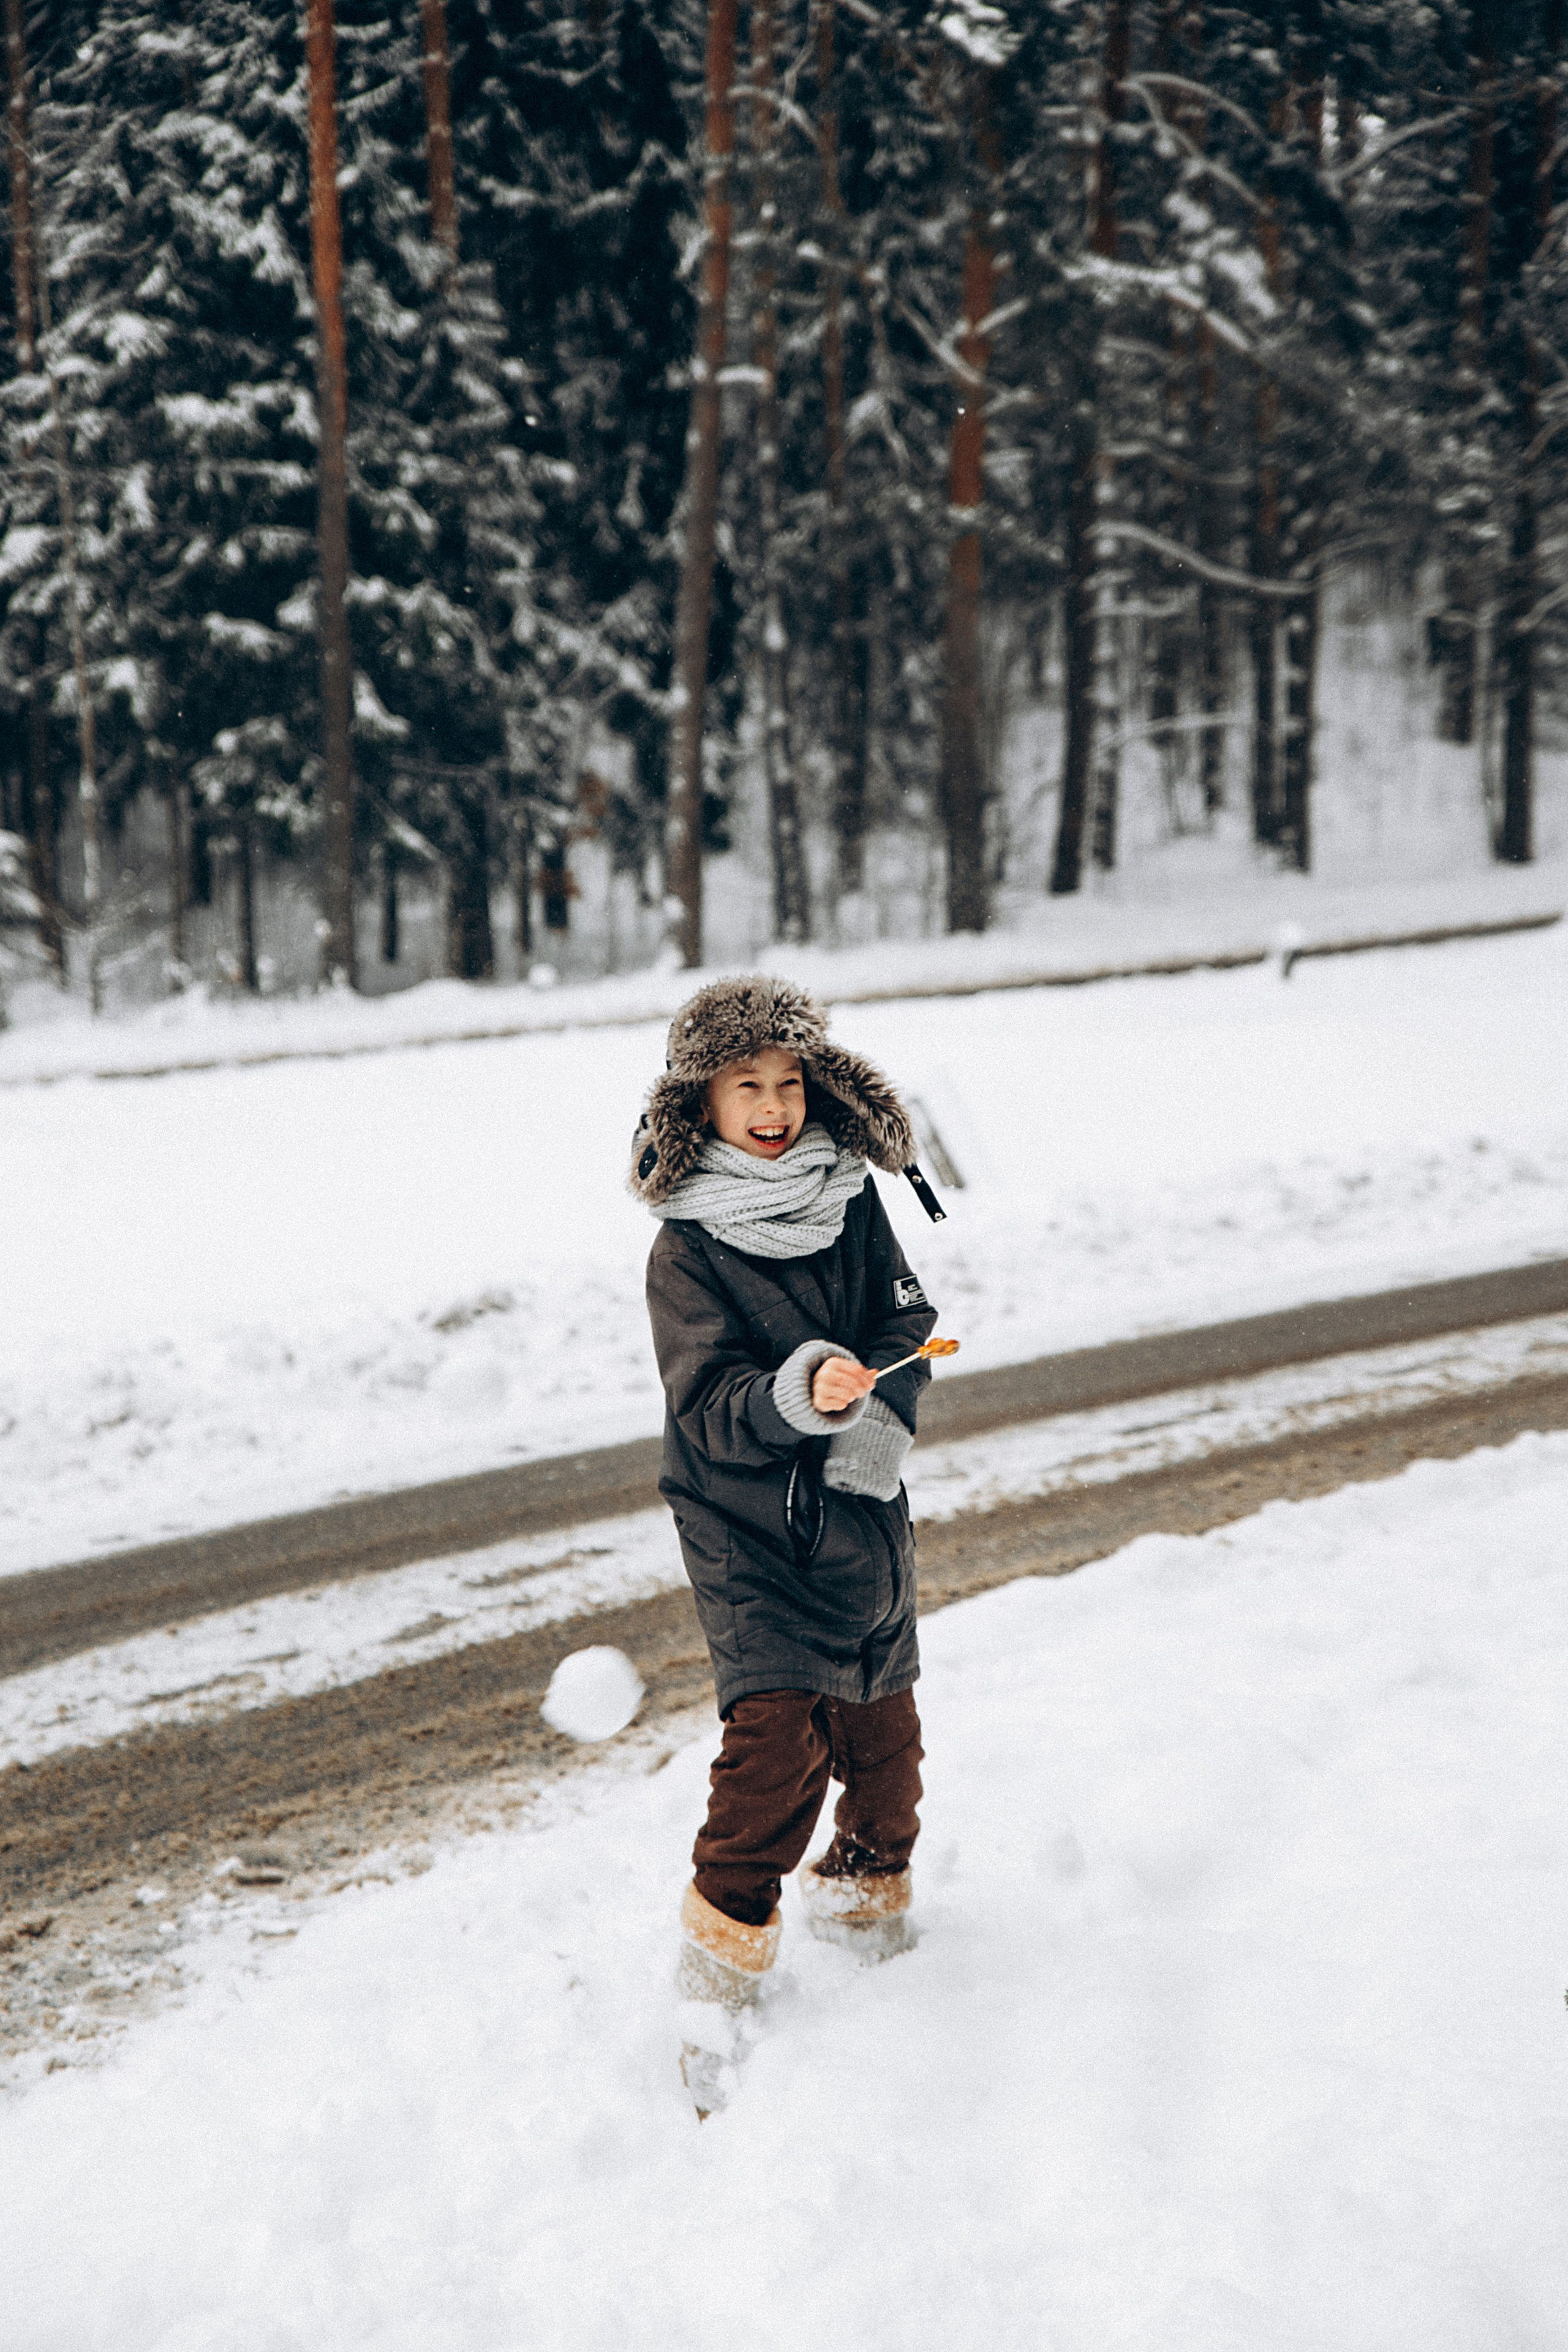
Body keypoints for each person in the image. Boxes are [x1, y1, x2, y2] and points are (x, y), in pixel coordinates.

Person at [630, 974, 938, 2111]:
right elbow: (709, 1403)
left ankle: (870, 1932)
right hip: (745, 1522)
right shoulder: (686, 1253)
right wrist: (804, 1391)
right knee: (774, 1742)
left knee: (882, 1734)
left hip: (860, 1500)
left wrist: (868, 1434)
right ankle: (714, 1982)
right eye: (744, 1085)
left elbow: (906, 1322)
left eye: (789, 1082)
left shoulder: (851, 1197)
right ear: (698, 1104)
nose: (771, 1107)